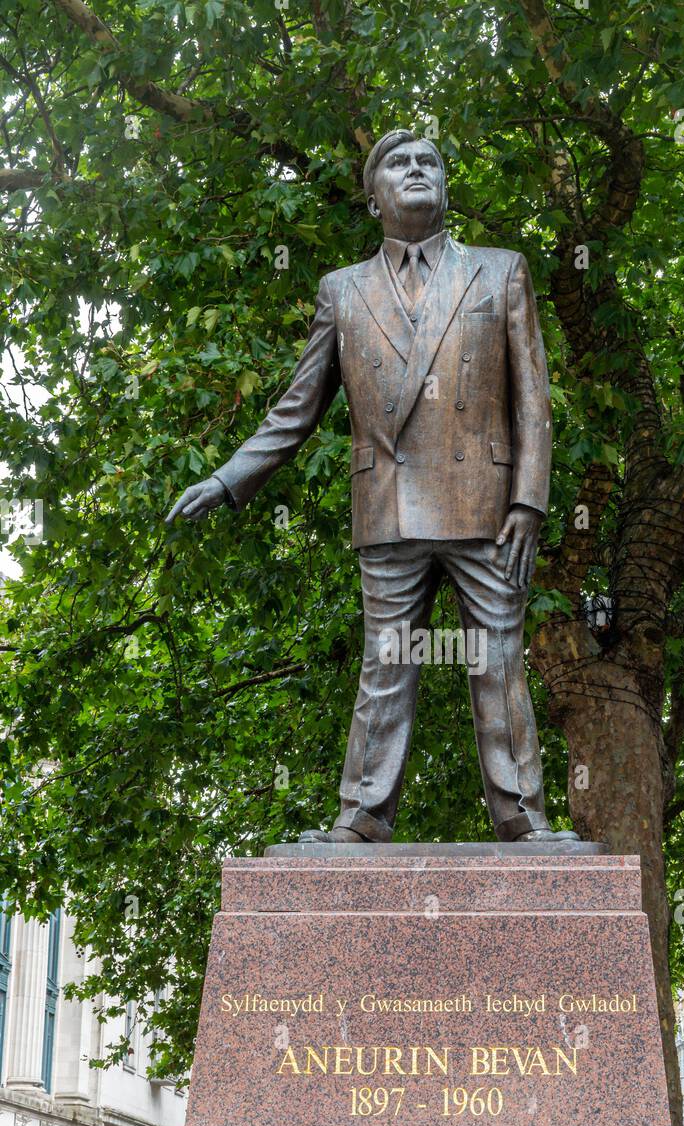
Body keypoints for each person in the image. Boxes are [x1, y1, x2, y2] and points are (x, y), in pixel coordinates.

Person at [165, 129, 584, 848]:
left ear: (446, 187)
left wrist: (529, 501)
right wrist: (227, 480)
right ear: (373, 199)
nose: (416, 170)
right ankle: (361, 814)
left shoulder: (501, 271)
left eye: (429, 162)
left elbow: (532, 403)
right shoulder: (342, 290)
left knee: (498, 663)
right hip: (388, 506)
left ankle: (523, 815)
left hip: (485, 505)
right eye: (398, 163)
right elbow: (296, 408)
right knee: (386, 665)